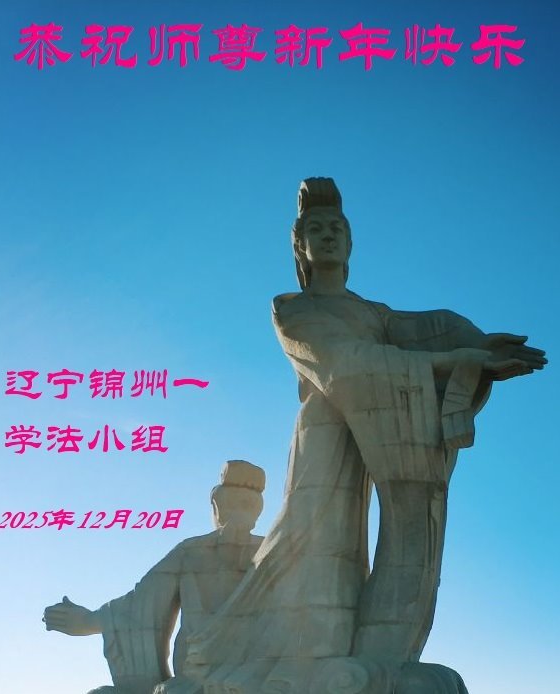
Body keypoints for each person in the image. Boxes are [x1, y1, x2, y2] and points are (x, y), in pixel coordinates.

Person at [180, 178, 546, 693]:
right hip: (326, 433)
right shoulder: (292, 308)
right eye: (316, 229)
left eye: (336, 228)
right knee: (318, 538)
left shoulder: (373, 313)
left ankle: (379, 649)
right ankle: (293, 653)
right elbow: (346, 361)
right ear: (300, 245)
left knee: (403, 522)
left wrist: (479, 345)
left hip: (375, 426)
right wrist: (451, 361)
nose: (328, 235)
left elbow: (427, 328)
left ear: (350, 243)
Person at [43, 460, 265, 694]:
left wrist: (89, 620)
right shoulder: (277, 553)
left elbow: (139, 605)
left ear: (216, 506)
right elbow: (144, 602)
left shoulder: (191, 552)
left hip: (202, 684)